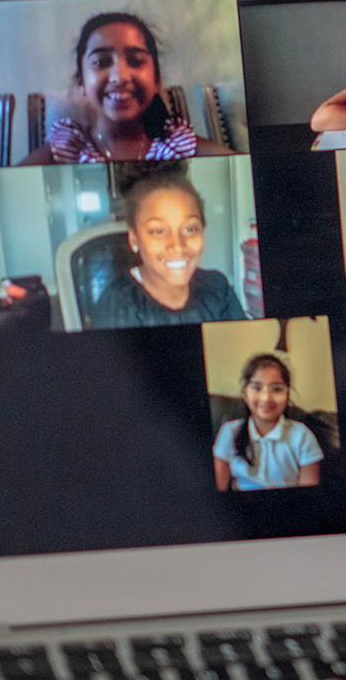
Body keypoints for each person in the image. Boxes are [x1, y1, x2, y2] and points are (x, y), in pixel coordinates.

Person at [22, 12, 235, 164]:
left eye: (135, 61)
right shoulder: (67, 149)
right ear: (82, 82)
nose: (119, 77)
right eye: (102, 62)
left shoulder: (178, 145)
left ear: (156, 79)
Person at [90, 172, 249, 328]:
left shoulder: (218, 288)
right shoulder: (117, 306)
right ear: (134, 239)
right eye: (159, 231)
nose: (178, 245)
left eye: (190, 228)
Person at [212, 353, 324, 491]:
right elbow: (218, 489)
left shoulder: (302, 436)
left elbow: (310, 495)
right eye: (257, 388)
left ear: (287, 394)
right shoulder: (229, 431)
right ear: (245, 393)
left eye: (276, 389)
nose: (266, 398)